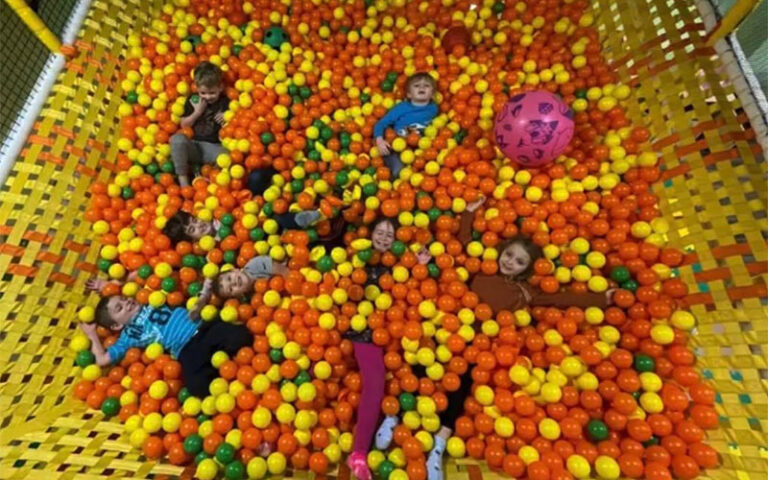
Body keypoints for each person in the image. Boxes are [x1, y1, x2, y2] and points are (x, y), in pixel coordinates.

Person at [374, 197, 613, 480]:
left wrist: (601, 298)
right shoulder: (480, 269)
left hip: (476, 349)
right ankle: (394, 416)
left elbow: (559, 299)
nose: (510, 262)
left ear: (526, 269)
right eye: (509, 255)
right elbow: (460, 247)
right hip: (446, 331)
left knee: (459, 389)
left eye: (519, 261)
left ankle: (438, 446)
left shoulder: (525, 292)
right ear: (501, 252)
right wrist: (468, 214)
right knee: (417, 367)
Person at [79, 294, 252, 397]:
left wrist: (104, 284)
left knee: (240, 335)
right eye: (119, 308)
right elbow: (101, 359)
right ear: (116, 326)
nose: (127, 303)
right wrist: (92, 334)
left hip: (203, 328)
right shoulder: (128, 336)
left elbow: (133, 275)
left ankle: (234, 364)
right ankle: (229, 376)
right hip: (186, 350)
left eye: (124, 299)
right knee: (196, 386)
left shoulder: (150, 299)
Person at [344, 217, 403, 480]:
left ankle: (391, 421)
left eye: (389, 235)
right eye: (380, 231)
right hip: (362, 333)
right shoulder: (358, 260)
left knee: (387, 384)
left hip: (389, 333)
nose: (383, 237)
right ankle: (359, 453)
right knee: (375, 384)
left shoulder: (399, 266)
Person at [170, 61, 229, 187]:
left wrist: (228, 116)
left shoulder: (226, 102)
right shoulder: (193, 101)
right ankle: (183, 182)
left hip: (214, 147)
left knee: (228, 155)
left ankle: (209, 179)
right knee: (176, 140)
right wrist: (197, 112)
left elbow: (237, 124)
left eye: (212, 93)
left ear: (220, 87)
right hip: (194, 146)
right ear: (197, 89)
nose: (207, 97)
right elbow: (183, 125)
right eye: (203, 93)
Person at [373, 73, 439, 179]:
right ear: (409, 94)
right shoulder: (401, 108)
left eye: (426, 86)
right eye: (416, 86)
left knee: (431, 171)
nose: (421, 87)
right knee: (399, 172)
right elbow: (381, 123)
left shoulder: (433, 109)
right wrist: (380, 140)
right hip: (398, 146)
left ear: (432, 94)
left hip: (422, 148)